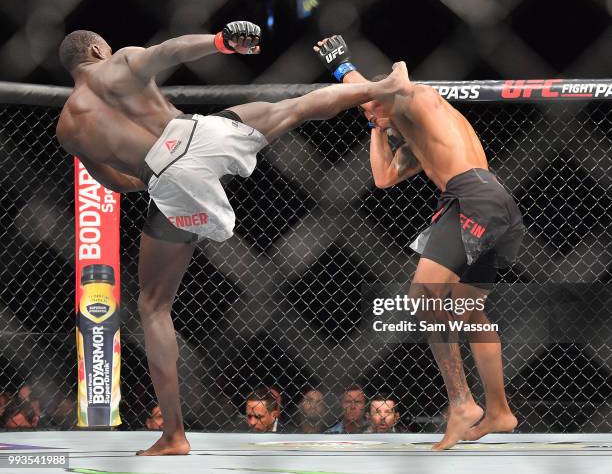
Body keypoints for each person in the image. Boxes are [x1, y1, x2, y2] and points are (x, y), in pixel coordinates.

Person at [55, 23, 405, 456]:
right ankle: (388, 84)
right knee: (295, 108)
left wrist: (167, 181)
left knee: (153, 306)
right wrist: (220, 43)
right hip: (198, 133)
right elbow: (171, 50)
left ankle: (174, 436)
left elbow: (116, 183)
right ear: (95, 49)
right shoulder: (120, 63)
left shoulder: (68, 128)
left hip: (165, 177)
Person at [314, 36, 524, 450]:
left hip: (472, 197)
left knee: (424, 295)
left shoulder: (421, 99)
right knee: (469, 313)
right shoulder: (413, 137)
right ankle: (499, 411)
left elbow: (394, 84)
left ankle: (462, 403)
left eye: (368, 102)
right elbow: (383, 178)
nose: (365, 107)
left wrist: (342, 67)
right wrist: (375, 126)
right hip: (490, 203)